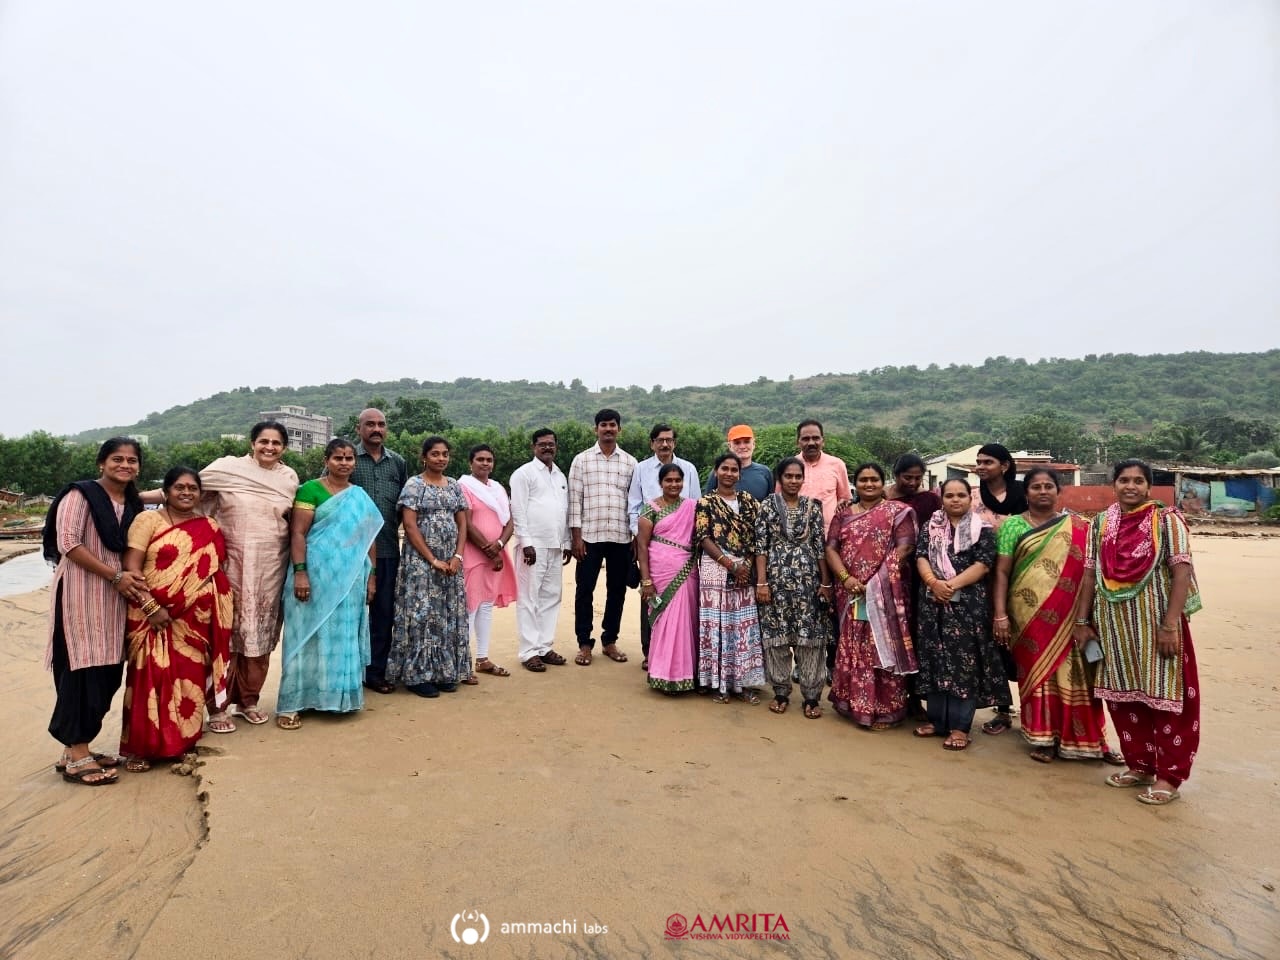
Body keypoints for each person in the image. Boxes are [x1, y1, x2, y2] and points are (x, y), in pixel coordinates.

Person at [1073, 460, 1203, 806]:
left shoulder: (1166, 520)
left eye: (1138, 481)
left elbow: (1181, 572)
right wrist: (1082, 622)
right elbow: (1089, 575)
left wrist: (1170, 624)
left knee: (1166, 696)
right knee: (1123, 695)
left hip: (1156, 624)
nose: (1130, 486)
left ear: (1148, 486)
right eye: (1124, 480)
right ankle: (1140, 765)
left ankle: (1169, 777)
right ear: (1114, 485)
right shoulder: (1100, 523)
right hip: (1114, 626)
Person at [993, 467, 1123, 765]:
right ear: (1025, 493)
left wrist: (1086, 617)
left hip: (1076, 616)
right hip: (1027, 616)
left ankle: (1095, 740)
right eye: (1035, 487)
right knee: (1040, 674)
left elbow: (1093, 572)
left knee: (1085, 676)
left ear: (1058, 491)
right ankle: (1043, 738)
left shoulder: (1080, 526)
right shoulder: (1012, 526)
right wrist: (999, 614)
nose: (1042, 491)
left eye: (1048, 486)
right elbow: (1001, 572)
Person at [45, 438, 146, 785]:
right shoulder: (80, 496)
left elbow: (161, 496)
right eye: (117, 459)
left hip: (114, 602)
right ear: (101, 463)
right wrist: (115, 575)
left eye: (132, 461)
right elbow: (69, 543)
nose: (125, 465)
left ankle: (75, 749)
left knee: (106, 672)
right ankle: (77, 755)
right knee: (80, 671)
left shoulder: (131, 501)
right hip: (79, 594)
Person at [119, 467, 234, 770]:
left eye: (192, 488)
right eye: (179, 488)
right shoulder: (148, 520)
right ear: (166, 491)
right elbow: (131, 568)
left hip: (193, 621)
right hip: (151, 615)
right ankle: (140, 749)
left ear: (200, 493)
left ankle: (182, 742)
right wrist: (151, 607)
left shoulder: (208, 525)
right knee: (149, 678)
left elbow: (214, 571)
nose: (186, 493)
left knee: (189, 679)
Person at [198, 420, 299, 729]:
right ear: (252, 443)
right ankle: (218, 707)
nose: (269, 447)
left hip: (271, 566)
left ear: (284, 447)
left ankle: (248, 701)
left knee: (261, 633)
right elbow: (188, 496)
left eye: (276, 443)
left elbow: (294, 521)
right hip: (230, 564)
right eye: (263, 441)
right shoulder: (226, 469)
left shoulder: (288, 478)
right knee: (225, 634)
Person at [277, 439, 382, 729]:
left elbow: (368, 538)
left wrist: (371, 575)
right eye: (338, 458)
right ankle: (293, 703)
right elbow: (297, 534)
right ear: (327, 459)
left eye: (349, 458)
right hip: (314, 575)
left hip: (350, 578)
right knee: (304, 637)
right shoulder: (310, 490)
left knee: (341, 636)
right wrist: (300, 572)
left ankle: (337, 698)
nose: (345, 463)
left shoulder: (359, 495)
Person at [823, 463, 918, 729]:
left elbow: (906, 547)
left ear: (882, 482)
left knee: (880, 646)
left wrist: (877, 581)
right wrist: (846, 579)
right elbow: (831, 549)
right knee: (854, 645)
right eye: (863, 480)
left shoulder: (898, 512)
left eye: (874, 479)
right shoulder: (843, 515)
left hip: (885, 592)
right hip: (851, 592)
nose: (869, 484)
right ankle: (854, 703)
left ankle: (884, 708)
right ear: (855, 483)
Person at [913, 479, 1004, 751]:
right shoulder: (930, 526)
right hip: (932, 604)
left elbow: (984, 564)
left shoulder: (982, 529)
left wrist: (950, 585)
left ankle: (960, 727)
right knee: (935, 659)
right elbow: (920, 556)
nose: (955, 500)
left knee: (964, 664)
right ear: (942, 498)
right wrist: (933, 583)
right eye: (949, 495)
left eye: (961, 495)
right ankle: (938, 721)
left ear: (969, 498)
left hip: (968, 607)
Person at [387, 436, 471, 697]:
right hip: (421, 564)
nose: (441, 458)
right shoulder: (414, 485)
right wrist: (432, 559)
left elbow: (462, 523)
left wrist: (457, 556)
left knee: (446, 615)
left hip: (450, 564)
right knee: (421, 615)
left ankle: (444, 671)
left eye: (445, 454)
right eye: (435, 454)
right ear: (424, 456)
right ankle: (418, 675)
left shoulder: (455, 486)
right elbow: (410, 525)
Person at [754, 457, 832, 719]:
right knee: (776, 639)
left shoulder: (813, 507)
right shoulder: (767, 506)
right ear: (780, 479)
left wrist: (825, 582)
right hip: (775, 583)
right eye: (788, 476)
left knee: (810, 640)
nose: (794, 481)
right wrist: (762, 583)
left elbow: (820, 547)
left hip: (808, 585)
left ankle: (811, 697)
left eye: (798, 476)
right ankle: (780, 691)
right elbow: (761, 546)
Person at [628, 424, 701, 670]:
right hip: (654, 550)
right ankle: (651, 653)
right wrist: (638, 538)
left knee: (687, 609)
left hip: (685, 555)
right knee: (651, 600)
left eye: (669, 440)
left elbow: (696, 507)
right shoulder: (641, 468)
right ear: (652, 443)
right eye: (660, 440)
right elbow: (634, 504)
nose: (665, 444)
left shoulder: (689, 468)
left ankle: (685, 660)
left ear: (675, 443)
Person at [568, 408, 637, 666]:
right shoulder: (581, 460)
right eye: (603, 425)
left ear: (619, 428)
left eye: (612, 425)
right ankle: (584, 643)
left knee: (616, 590)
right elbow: (575, 500)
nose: (608, 429)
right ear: (595, 429)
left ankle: (609, 640)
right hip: (590, 536)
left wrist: (634, 536)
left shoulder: (630, 463)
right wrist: (576, 538)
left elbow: (634, 503)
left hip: (620, 536)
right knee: (584, 590)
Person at [348, 408, 409, 696]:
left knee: (384, 614)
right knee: (351, 613)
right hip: (349, 553)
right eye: (369, 424)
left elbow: (404, 508)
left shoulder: (397, 463)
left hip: (386, 550)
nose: (376, 429)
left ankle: (376, 672)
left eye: (381, 424)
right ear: (359, 428)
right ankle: (349, 671)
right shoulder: (347, 459)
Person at [696, 453, 765, 703]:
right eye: (724, 468)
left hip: (745, 568)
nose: (729, 473)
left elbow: (759, 534)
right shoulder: (706, 502)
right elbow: (703, 537)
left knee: (743, 626)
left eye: (734, 470)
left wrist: (744, 565)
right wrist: (729, 564)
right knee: (718, 626)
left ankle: (744, 684)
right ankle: (719, 684)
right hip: (716, 568)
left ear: (740, 474)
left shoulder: (748, 501)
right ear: (715, 471)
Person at [972, 442, 1027, 736]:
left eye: (988, 461)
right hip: (983, 582)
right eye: (978, 462)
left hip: (1024, 580)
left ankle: (1033, 709)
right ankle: (1003, 709)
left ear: (1004, 466)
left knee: (1025, 641)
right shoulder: (971, 498)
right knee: (993, 644)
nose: (981, 466)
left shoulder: (1024, 495)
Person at [509, 429, 571, 672]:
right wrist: (526, 542)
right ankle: (528, 651)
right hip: (533, 546)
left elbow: (562, 510)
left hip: (555, 545)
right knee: (529, 597)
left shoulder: (559, 475)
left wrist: (565, 541)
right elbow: (518, 509)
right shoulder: (523, 474)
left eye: (551, 444)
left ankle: (544, 647)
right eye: (543, 444)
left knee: (552, 596)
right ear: (533, 447)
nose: (547, 448)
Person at [636, 463, 699, 693]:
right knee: (664, 622)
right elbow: (642, 547)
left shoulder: (692, 507)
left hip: (687, 570)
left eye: (678, 480)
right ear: (661, 483)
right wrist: (646, 580)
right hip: (660, 573)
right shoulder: (649, 509)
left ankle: (685, 673)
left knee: (686, 620)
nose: (674, 484)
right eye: (669, 480)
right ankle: (662, 673)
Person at [888, 452, 942, 717]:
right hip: (890, 574)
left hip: (922, 573)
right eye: (907, 477)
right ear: (896, 475)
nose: (912, 483)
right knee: (894, 633)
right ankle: (894, 695)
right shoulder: (883, 498)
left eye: (917, 478)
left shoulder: (931, 500)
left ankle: (916, 697)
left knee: (917, 635)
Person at [459, 444, 517, 681]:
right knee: (470, 607)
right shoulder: (464, 486)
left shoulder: (498, 488)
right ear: (470, 463)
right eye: (480, 459)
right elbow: (467, 523)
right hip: (475, 554)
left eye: (489, 460)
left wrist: (500, 546)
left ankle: (482, 658)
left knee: (485, 606)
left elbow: (510, 520)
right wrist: (489, 550)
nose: (485, 463)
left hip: (496, 555)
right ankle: (463, 663)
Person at [794, 419, 851, 531]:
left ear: (823, 441)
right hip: (796, 537)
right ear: (798, 442)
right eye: (805, 439)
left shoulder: (837, 465)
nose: (811, 443)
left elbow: (845, 499)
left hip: (828, 536)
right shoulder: (789, 467)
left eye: (815, 438)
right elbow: (780, 500)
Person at [705, 425, 773, 500]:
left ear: (753, 444)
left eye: (746, 442)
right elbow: (707, 502)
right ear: (730, 446)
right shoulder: (720, 473)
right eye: (737, 443)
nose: (742, 446)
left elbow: (772, 504)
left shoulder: (765, 472)